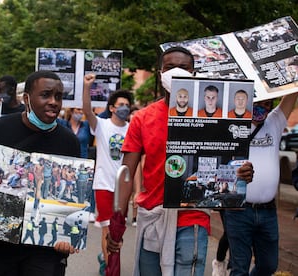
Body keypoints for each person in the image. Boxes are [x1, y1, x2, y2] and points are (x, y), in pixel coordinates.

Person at [105, 46, 253, 276]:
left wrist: (241, 173)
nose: (175, 72)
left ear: (194, 73)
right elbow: (126, 173)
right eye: (169, 67)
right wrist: (117, 223)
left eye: (183, 68)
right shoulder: (142, 119)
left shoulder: (212, 118)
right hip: (153, 216)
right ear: (160, 72)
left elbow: (229, 162)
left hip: (192, 216)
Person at [0, 70, 80, 276]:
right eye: (45, 95)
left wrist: (68, 235)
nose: (53, 102)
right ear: (26, 98)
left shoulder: (69, 142)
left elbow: (72, 196)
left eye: (58, 96)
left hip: (45, 248)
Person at [224, 93, 298, 276]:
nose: (263, 107)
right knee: (239, 267)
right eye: (259, 103)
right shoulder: (231, 125)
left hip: (268, 212)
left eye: (268, 103)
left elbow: (292, 91)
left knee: (269, 265)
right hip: (238, 210)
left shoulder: (275, 121)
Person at [82, 74, 134, 275]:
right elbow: (87, 110)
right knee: (107, 230)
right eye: (120, 104)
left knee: (118, 231)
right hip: (104, 184)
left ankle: (105, 257)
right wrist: (87, 87)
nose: (124, 108)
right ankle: (111, 269)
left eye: (127, 105)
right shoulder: (102, 126)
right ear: (112, 108)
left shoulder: (132, 129)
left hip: (123, 188)